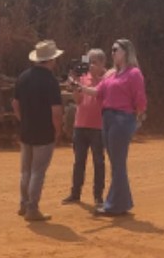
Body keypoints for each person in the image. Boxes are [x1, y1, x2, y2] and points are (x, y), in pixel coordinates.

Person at [77, 39, 147, 216]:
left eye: (116, 49)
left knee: (117, 163)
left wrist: (137, 118)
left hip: (122, 119)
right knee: (116, 163)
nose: (113, 53)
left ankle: (113, 204)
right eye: (112, 50)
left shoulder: (134, 73)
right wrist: (79, 87)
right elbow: (97, 92)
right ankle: (122, 202)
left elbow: (140, 99)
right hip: (107, 117)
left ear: (126, 52)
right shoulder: (111, 74)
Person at [12, 40, 64, 221]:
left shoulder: (23, 77)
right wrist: (57, 130)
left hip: (26, 129)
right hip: (44, 131)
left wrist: (23, 119)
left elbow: (15, 103)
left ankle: (23, 204)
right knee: (38, 171)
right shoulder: (50, 81)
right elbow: (56, 111)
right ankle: (32, 209)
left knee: (25, 170)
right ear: (50, 60)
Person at [62, 49, 107, 208]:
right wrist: (75, 86)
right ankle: (75, 193)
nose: (91, 66)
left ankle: (98, 196)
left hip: (98, 127)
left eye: (95, 62)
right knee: (79, 161)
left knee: (98, 162)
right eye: (90, 62)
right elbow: (78, 100)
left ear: (102, 64)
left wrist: (81, 84)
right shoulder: (84, 78)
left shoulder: (107, 79)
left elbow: (99, 95)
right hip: (81, 124)